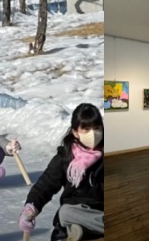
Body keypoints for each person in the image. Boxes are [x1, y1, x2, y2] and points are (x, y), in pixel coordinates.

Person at [19, 103, 104, 240]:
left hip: (102, 209)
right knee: (66, 213)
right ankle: (82, 230)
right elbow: (46, 184)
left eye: (97, 128)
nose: (93, 134)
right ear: (75, 132)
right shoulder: (65, 158)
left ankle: (86, 229)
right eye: (86, 129)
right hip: (75, 211)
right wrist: (30, 209)